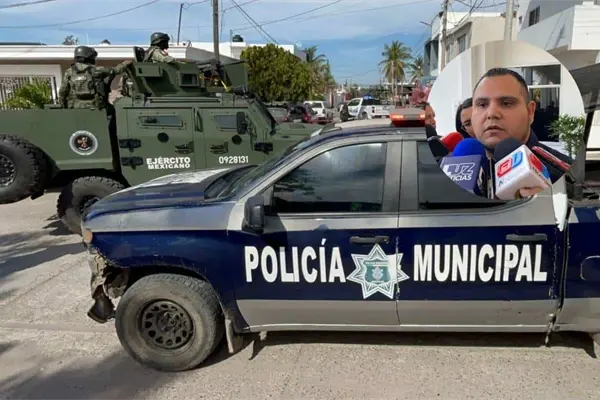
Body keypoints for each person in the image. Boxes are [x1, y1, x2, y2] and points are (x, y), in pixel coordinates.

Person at [471, 67, 574, 196]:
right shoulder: (459, 171)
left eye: (506, 103)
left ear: (530, 112)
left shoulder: (565, 175)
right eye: (482, 105)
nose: (491, 113)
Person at [58, 45, 132, 109]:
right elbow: (116, 70)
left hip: (75, 107)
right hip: (95, 107)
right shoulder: (97, 70)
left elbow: (62, 91)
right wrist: (125, 63)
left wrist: (64, 106)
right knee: (112, 111)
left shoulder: (69, 72)